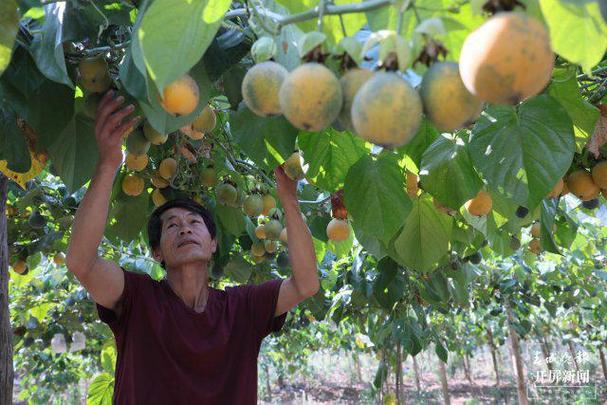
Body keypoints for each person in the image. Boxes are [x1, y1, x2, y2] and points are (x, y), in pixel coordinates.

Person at [65, 90, 319, 404]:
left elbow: (306, 284)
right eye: (172, 225)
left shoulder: (241, 309)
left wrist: (290, 202)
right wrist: (107, 164)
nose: (184, 227)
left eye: (194, 223)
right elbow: (81, 262)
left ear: (213, 244)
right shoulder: (137, 298)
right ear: (157, 252)